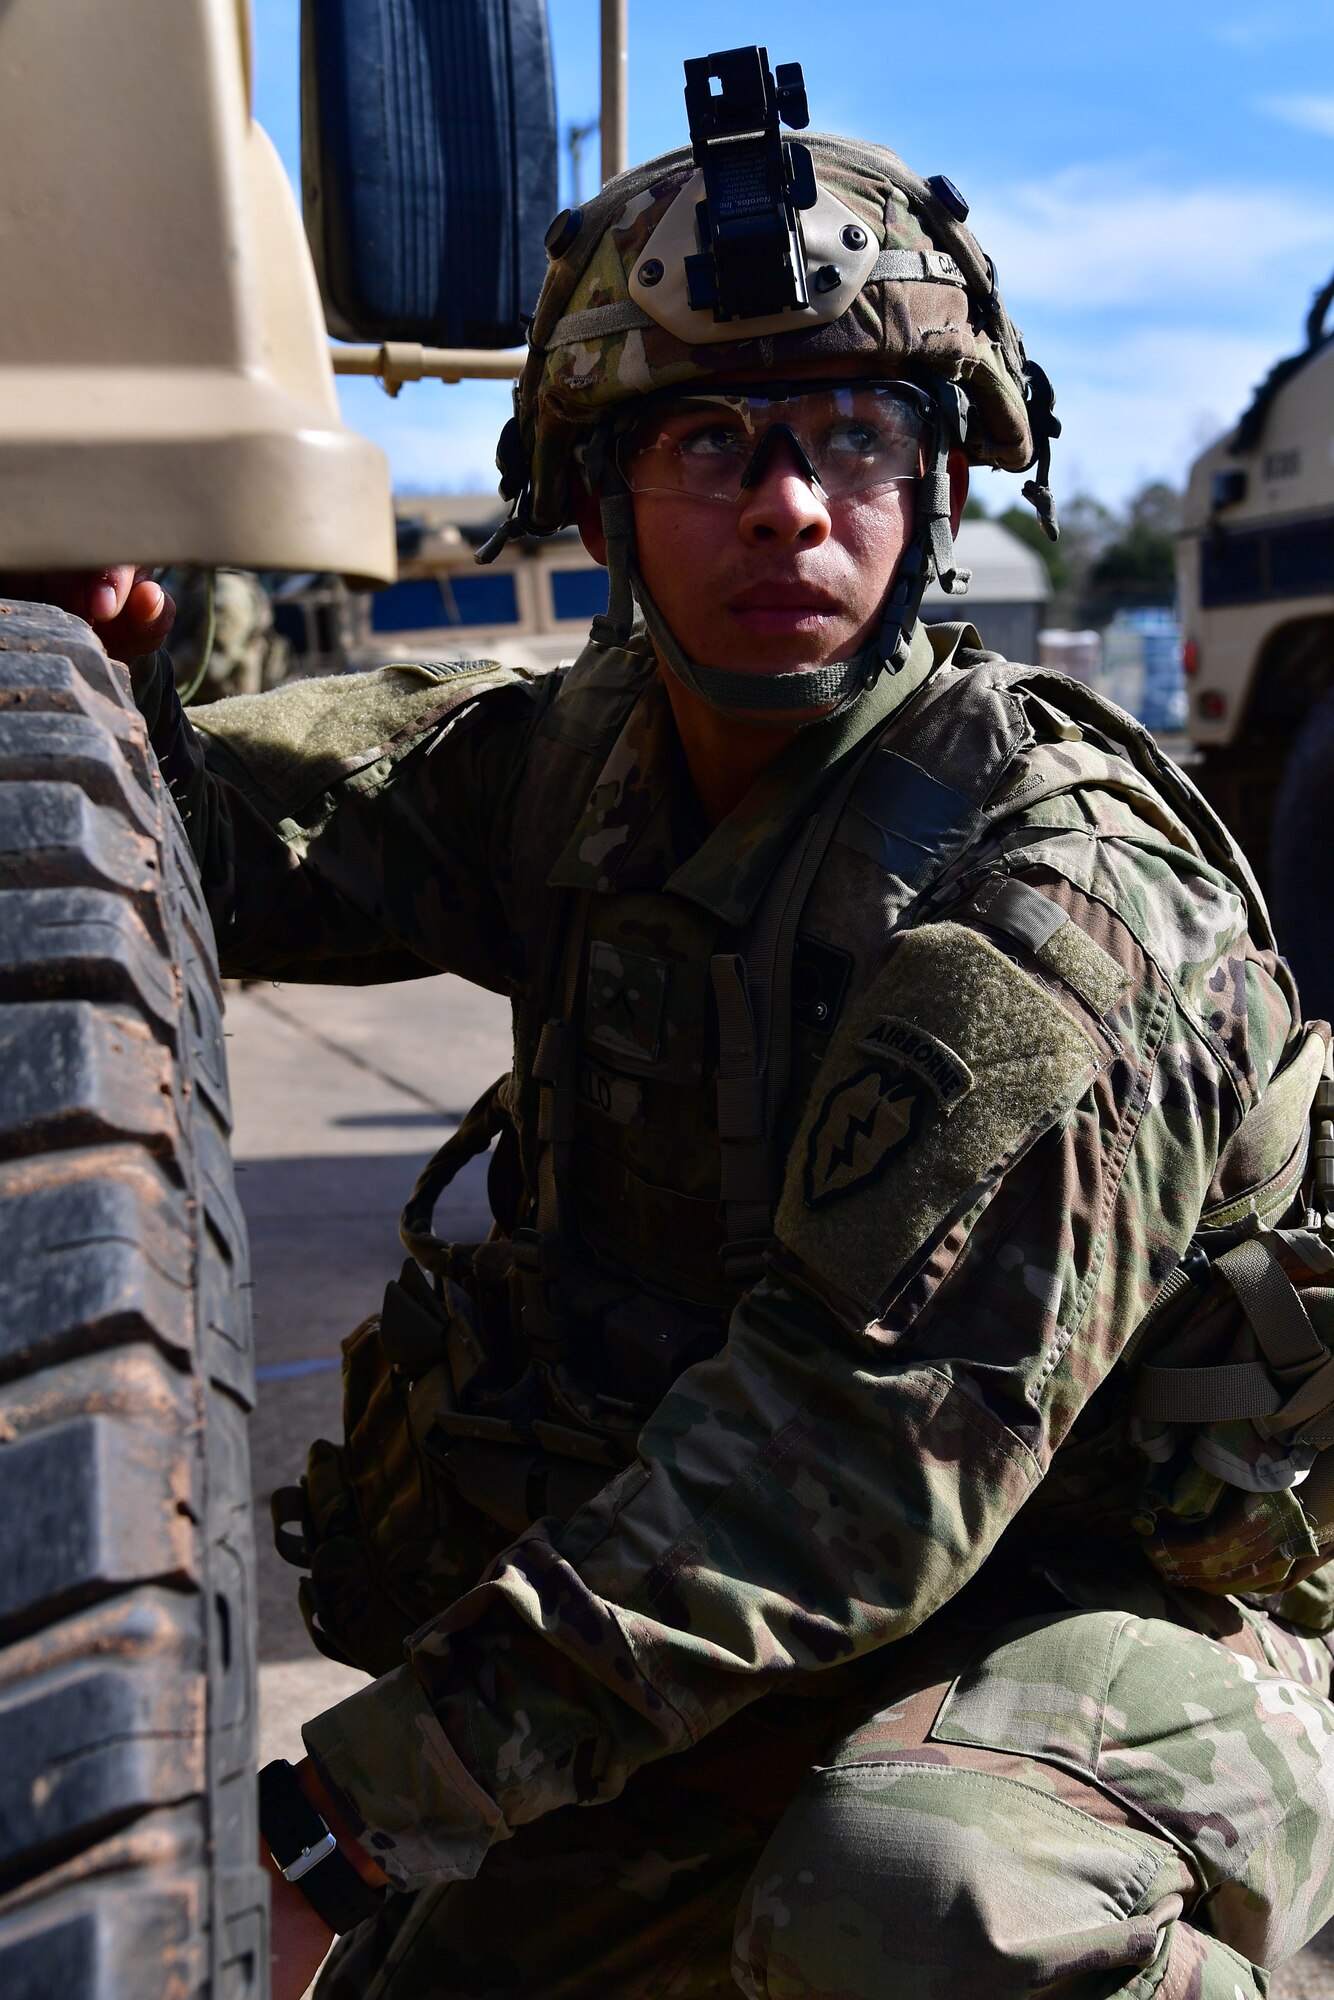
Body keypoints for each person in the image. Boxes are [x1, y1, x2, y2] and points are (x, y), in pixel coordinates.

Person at [22, 61, 1334, 2000]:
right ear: (599, 495)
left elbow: (838, 1470)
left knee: (910, 1905)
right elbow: (184, 835)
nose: (791, 500)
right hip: (801, 1648)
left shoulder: (1056, 894)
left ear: (942, 479)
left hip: (1134, 1637)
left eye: (853, 434)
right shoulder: (583, 771)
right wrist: (87, 645)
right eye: (710, 438)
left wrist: (342, 1813)